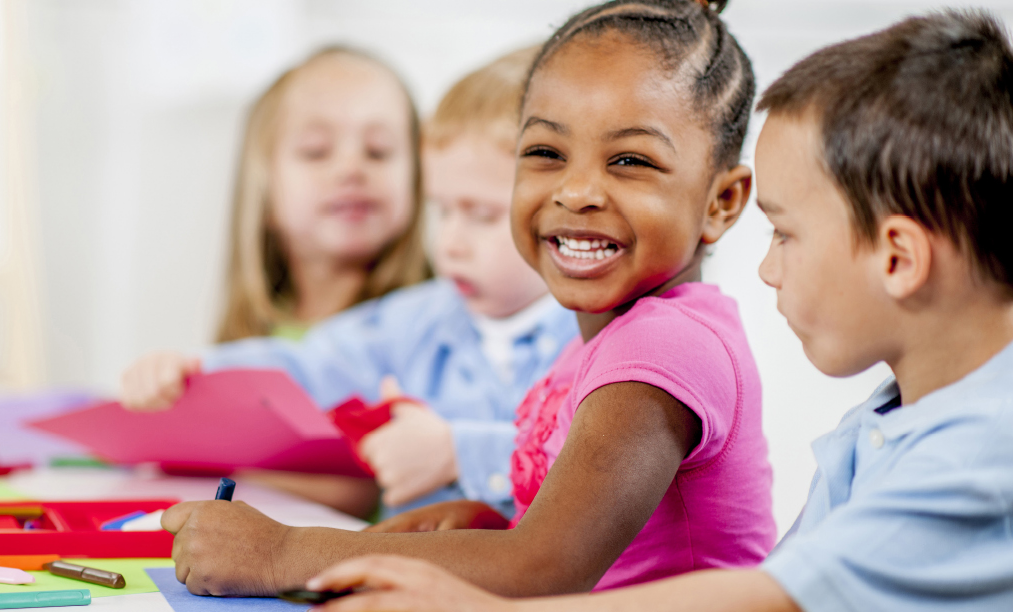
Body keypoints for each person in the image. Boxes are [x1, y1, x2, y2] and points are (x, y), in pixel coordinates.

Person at [305, 9, 1013, 612]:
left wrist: (472, 603)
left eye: (786, 235)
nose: (767, 270)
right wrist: (490, 535)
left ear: (898, 258)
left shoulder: (984, 451)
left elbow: (770, 598)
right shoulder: (887, 426)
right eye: (546, 151)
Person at [160, 0, 773, 597]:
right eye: (545, 153)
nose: (577, 190)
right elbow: (561, 545)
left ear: (722, 201)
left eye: (631, 160)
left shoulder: (662, 348)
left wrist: (281, 553)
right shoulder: (601, 338)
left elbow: (544, 567)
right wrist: (484, 523)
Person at [120, 46, 576, 519]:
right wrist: (193, 370)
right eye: (441, 211)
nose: (450, 243)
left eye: (480, 215)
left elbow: (600, 461)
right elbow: (308, 366)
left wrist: (458, 453)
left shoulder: (595, 335)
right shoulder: (417, 318)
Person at [214, 46, 429, 343]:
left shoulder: (440, 332)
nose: (351, 169)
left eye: (378, 151)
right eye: (316, 151)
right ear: (264, 191)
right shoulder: (246, 349)